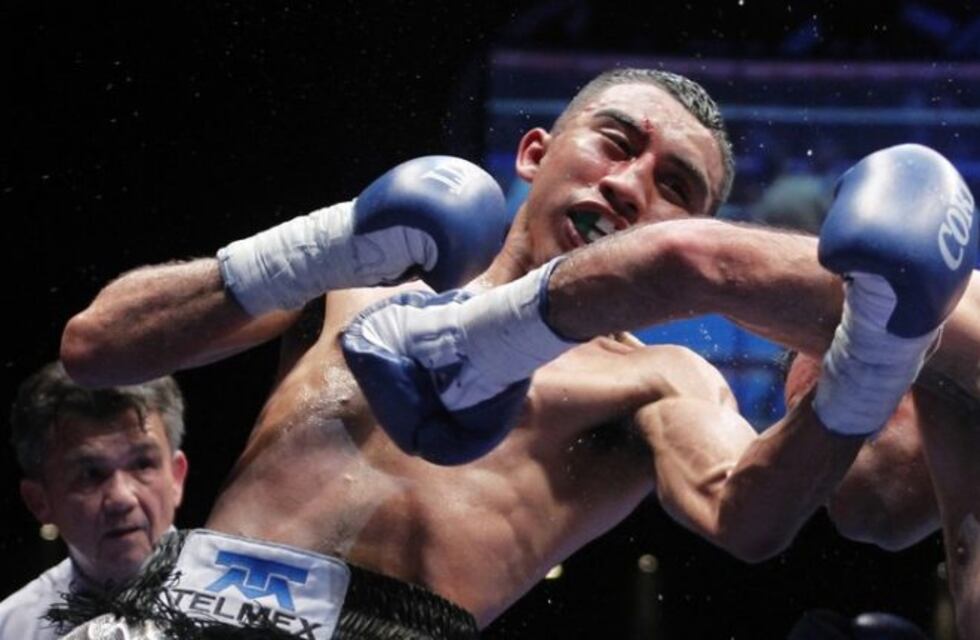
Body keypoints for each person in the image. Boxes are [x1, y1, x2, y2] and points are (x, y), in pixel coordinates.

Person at [59, 68, 978, 637]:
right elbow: (99, 346)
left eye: (672, 187)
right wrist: (329, 241)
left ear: (685, 235)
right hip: (172, 612)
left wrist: (874, 355)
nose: (625, 186)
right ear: (537, 150)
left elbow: (749, 519)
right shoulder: (364, 277)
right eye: (614, 146)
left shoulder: (653, 380)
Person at [0, 361, 188, 639]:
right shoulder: (10, 628)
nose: (122, 498)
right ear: (39, 501)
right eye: (91, 474)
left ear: (176, 477)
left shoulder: (246, 607)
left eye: (142, 464)